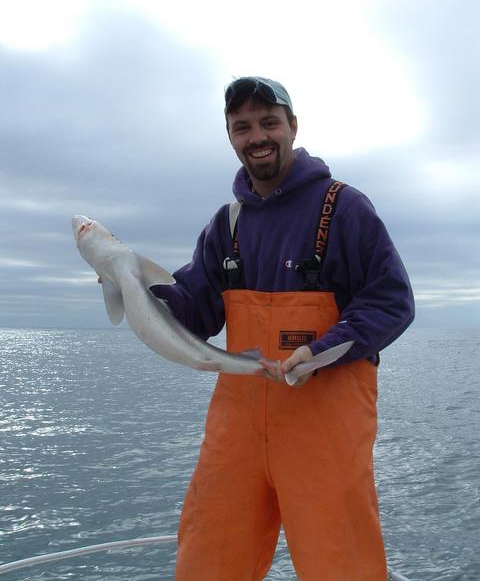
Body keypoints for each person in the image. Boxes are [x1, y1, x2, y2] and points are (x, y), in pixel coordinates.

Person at [151, 76, 415, 581]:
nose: (257, 136)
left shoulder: (344, 208)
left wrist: (322, 350)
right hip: (235, 435)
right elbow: (194, 314)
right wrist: (131, 281)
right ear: (230, 136)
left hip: (325, 432)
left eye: (269, 122)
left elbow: (390, 300)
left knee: (341, 566)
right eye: (242, 126)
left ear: (292, 127)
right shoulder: (225, 226)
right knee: (208, 560)